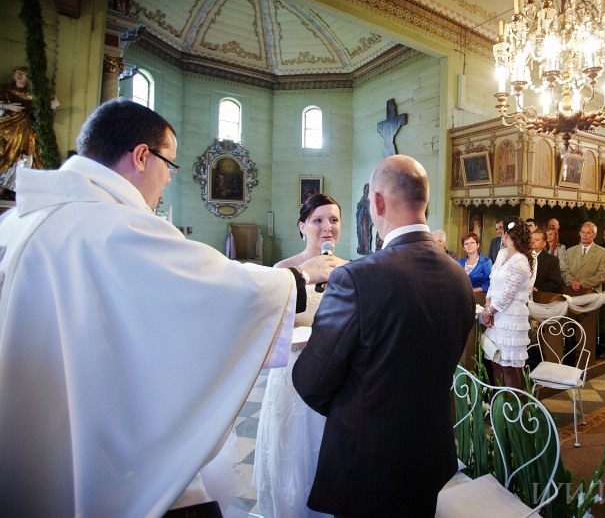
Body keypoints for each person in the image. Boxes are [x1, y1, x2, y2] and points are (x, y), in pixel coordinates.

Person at [0, 99, 336, 516]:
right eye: (168, 166)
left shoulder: (20, 220)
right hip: (101, 458)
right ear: (142, 156)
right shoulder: (113, 224)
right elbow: (214, 287)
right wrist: (298, 281)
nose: (167, 181)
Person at [292, 155, 475, 517]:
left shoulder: (357, 277)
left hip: (369, 461)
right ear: (424, 200)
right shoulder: (458, 276)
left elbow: (311, 381)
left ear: (376, 202)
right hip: (430, 450)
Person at [253, 194, 348, 518]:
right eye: (318, 220)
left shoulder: (350, 271)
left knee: (329, 459)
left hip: (337, 382)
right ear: (302, 226)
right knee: (291, 459)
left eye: (333, 220)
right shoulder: (284, 271)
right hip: (292, 377)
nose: (327, 227)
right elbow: (267, 329)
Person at [482, 216, 534, 388]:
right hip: (497, 316)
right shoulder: (503, 254)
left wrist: (489, 312)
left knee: (509, 367)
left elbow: (508, 293)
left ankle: (513, 409)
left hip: (510, 317)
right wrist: (487, 306)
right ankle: (499, 406)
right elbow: (492, 282)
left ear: (507, 234)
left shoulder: (520, 260)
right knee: (495, 362)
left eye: (502, 231)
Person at [0, 66, 61, 176]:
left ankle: (13, 181)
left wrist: (50, 107)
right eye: (17, 73)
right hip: (6, 126)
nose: (19, 75)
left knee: (24, 153)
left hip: (25, 131)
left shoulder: (34, 96)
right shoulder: (4, 91)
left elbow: (39, 116)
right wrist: (6, 106)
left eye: (23, 74)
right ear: (13, 75)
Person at [563, 222, 605, 292]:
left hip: (592, 292)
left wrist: (580, 283)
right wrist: (572, 282)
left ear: (594, 235)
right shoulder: (570, 251)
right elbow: (565, 271)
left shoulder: (603, 252)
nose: (584, 235)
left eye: (588, 233)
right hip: (571, 290)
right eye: (583, 232)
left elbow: (601, 276)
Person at [530, 229, 563, 293]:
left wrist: (538, 290)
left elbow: (555, 282)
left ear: (543, 244)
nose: (532, 241)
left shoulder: (552, 260)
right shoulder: (523, 257)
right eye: (531, 239)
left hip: (541, 296)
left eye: (536, 240)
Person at [355, 182, 372, 255]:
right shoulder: (362, 198)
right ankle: (361, 248)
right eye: (365, 189)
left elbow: (370, 210)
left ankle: (366, 248)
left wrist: (365, 204)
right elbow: (358, 207)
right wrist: (360, 203)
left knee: (365, 233)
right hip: (360, 218)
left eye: (368, 189)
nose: (366, 191)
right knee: (360, 233)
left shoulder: (370, 199)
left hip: (366, 219)